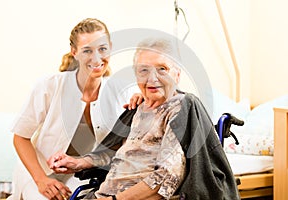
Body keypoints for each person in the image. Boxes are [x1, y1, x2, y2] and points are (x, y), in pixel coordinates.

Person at [48, 38, 240, 200]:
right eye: (143, 71)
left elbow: (166, 178)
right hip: (104, 193)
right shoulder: (136, 108)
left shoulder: (180, 108)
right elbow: (115, 152)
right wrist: (78, 162)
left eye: (162, 69)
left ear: (178, 75)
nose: (152, 78)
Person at [9, 18, 141, 200]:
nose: (96, 58)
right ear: (74, 52)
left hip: (80, 174)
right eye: (87, 50)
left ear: (110, 47)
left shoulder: (123, 91)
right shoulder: (49, 86)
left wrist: (142, 99)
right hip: (38, 172)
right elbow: (20, 137)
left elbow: (158, 100)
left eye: (102, 49)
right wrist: (41, 180)